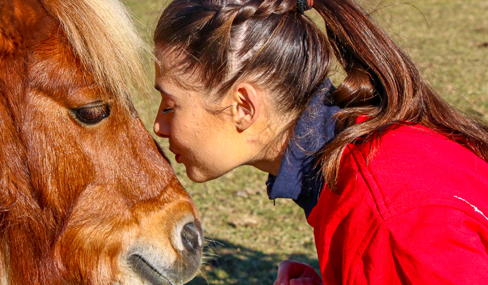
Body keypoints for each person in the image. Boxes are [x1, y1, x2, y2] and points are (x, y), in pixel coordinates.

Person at [152, 0, 488, 284]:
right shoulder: (361, 160)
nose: (158, 126)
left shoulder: (388, 219)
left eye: (169, 106)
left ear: (244, 107)